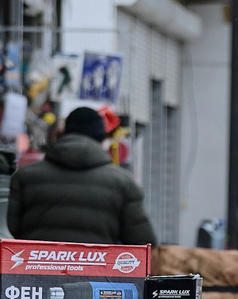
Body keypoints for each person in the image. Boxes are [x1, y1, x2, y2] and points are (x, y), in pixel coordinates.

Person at [8, 105, 155, 245]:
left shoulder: (25, 177)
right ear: (101, 139)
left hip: (34, 269)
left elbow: (8, 231)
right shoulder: (123, 182)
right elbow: (143, 241)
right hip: (98, 270)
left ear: (63, 134)